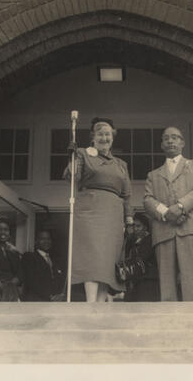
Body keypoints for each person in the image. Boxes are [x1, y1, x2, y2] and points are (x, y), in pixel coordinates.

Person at [63, 117, 133, 302]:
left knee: (107, 263)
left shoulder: (121, 164)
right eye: (100, 133)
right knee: (93, 259)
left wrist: (129, 219)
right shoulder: (83, 154)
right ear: (93, 137)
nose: (104, 137)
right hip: (89, 211)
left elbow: (127, 195)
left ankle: (100, 305)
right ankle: (90, 302)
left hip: (113, 215)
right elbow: (73, 178)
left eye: (108, 134)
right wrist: (73, 159)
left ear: (113, 137)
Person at [144, 126, 193, 301]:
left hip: (191, 228)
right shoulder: (153, 175)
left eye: (175, 137)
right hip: (164, 231)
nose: (171, 141)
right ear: (162, 145)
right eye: (166, 138)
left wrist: (180, 207)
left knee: (192, 281)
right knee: (167, 285)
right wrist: (166, 212)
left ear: (182, 142)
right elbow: (148, 200)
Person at [123, 213, 160, 302]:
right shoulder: (131, 240)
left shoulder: (150, 240)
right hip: (135, 280)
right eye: (133, 226)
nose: (135, 229)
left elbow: (142, 257)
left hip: (148, 280)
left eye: (138, 226)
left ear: (145, 227)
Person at [21, 230, 65, 301]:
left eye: (48, 239)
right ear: (36, 241)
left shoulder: (54, 259)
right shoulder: (30, 257)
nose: (46, 241)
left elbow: (57, 279)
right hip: (35, 300)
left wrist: (58, 295)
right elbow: (31, 281)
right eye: (42, 239)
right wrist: (49, 296)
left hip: (52, 301)